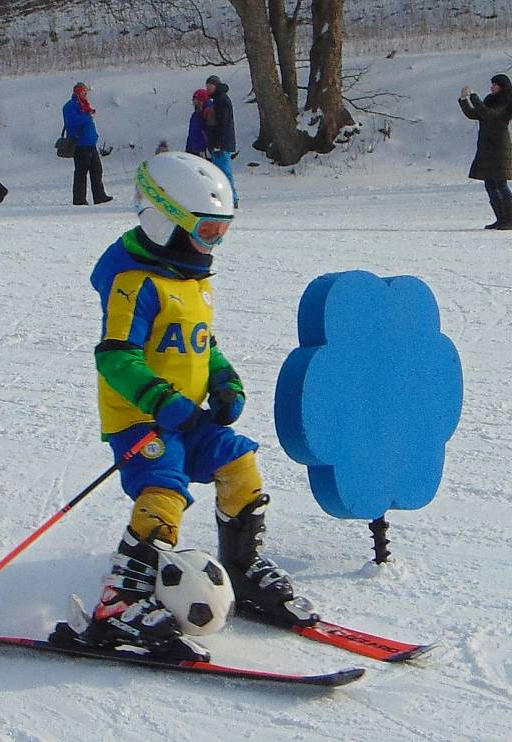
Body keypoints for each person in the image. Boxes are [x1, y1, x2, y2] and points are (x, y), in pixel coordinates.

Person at [49, 152, 317, 659]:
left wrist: (224, 381)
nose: (215, 242)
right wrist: (162, 401)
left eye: (223, 231)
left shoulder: (193, 279)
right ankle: (118, 604)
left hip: (189, 415)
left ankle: (243, 567)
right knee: (163, 494)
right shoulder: (134, 282)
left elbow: (202, 342)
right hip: (142, 420)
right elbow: (115, 357)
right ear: (163, 219)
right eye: (207, 231)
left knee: (239, 463)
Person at [458, 74, 512, 230]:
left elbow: (490, 115)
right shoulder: (490, 100)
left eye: (495, 85)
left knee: (500, 183)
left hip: (500, 147)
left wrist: (474, 97)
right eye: (492, 84)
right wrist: (464, 100)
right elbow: (476, 114)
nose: (492, 87)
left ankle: (510, 220)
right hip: (487, 147)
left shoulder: (506, 102)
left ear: (502, 86)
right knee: (490, 184)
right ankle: (500, 219)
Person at [62, 82, 113, 206]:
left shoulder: (84, 105)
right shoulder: (70, 106)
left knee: (97, 170)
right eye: (83, 91)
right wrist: (86, 116)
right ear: (77, 91)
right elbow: (72, 122)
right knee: (81, 172)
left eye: (85, 91)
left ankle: (99, 196)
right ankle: (79, 199)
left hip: (90, 143)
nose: (85, 93)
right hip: (80, 144)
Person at [204, 75, 239, 208]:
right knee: (217, 173)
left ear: (215, 86)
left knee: (224, 172)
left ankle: (232, 198)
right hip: (218, 143)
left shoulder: (221, 100)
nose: (207, 89)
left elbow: (224, 123)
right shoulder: (217, 100)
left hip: (221, 144)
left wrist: (219, 142)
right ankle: (224, 198)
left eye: (209, 86)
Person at [185, 88, 210, 157]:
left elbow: (208, 131)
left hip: (203, 151)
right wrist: (188, 150)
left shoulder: (207, 112)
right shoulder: (195, 114)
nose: (193, 101)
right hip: (193, 150)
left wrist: (205, 149)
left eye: (195, 99)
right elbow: (191, 133)